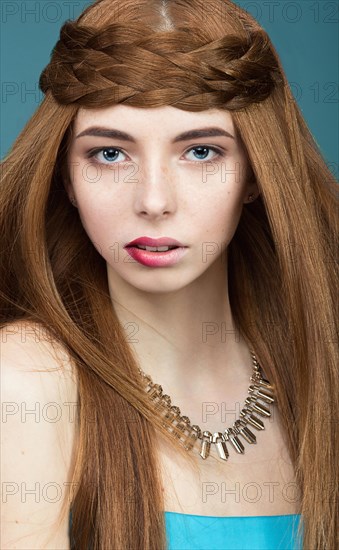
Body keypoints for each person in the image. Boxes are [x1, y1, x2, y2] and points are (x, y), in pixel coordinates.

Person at [1, 0, 338, 548]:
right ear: (65, 176)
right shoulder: (25, 383)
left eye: (200, 151)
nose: (154, 201)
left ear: (255, 174)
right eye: (110, 154)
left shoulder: (318, 370)